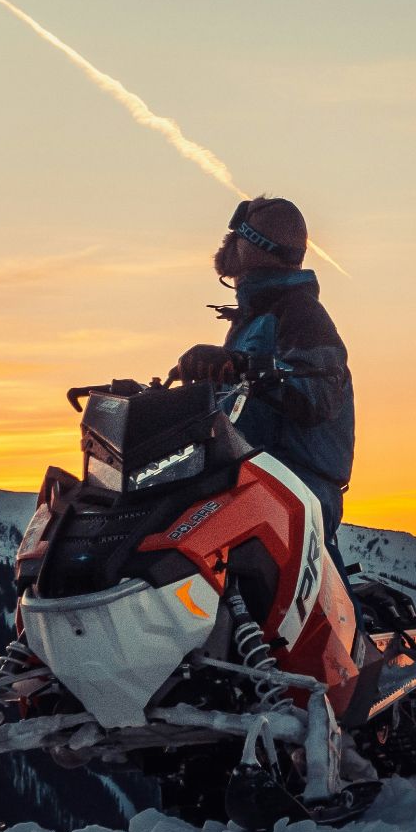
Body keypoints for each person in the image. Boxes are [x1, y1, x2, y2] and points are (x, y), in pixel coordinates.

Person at [174, 196, 354, 569]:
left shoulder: (301, 315)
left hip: (293, 487)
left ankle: (346, 624)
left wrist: (242, 365)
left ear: (254, 246)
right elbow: (238, 402)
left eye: (236, 236)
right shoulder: (255, 317)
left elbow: (318, 395)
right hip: (248, 479)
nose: (227, 243)